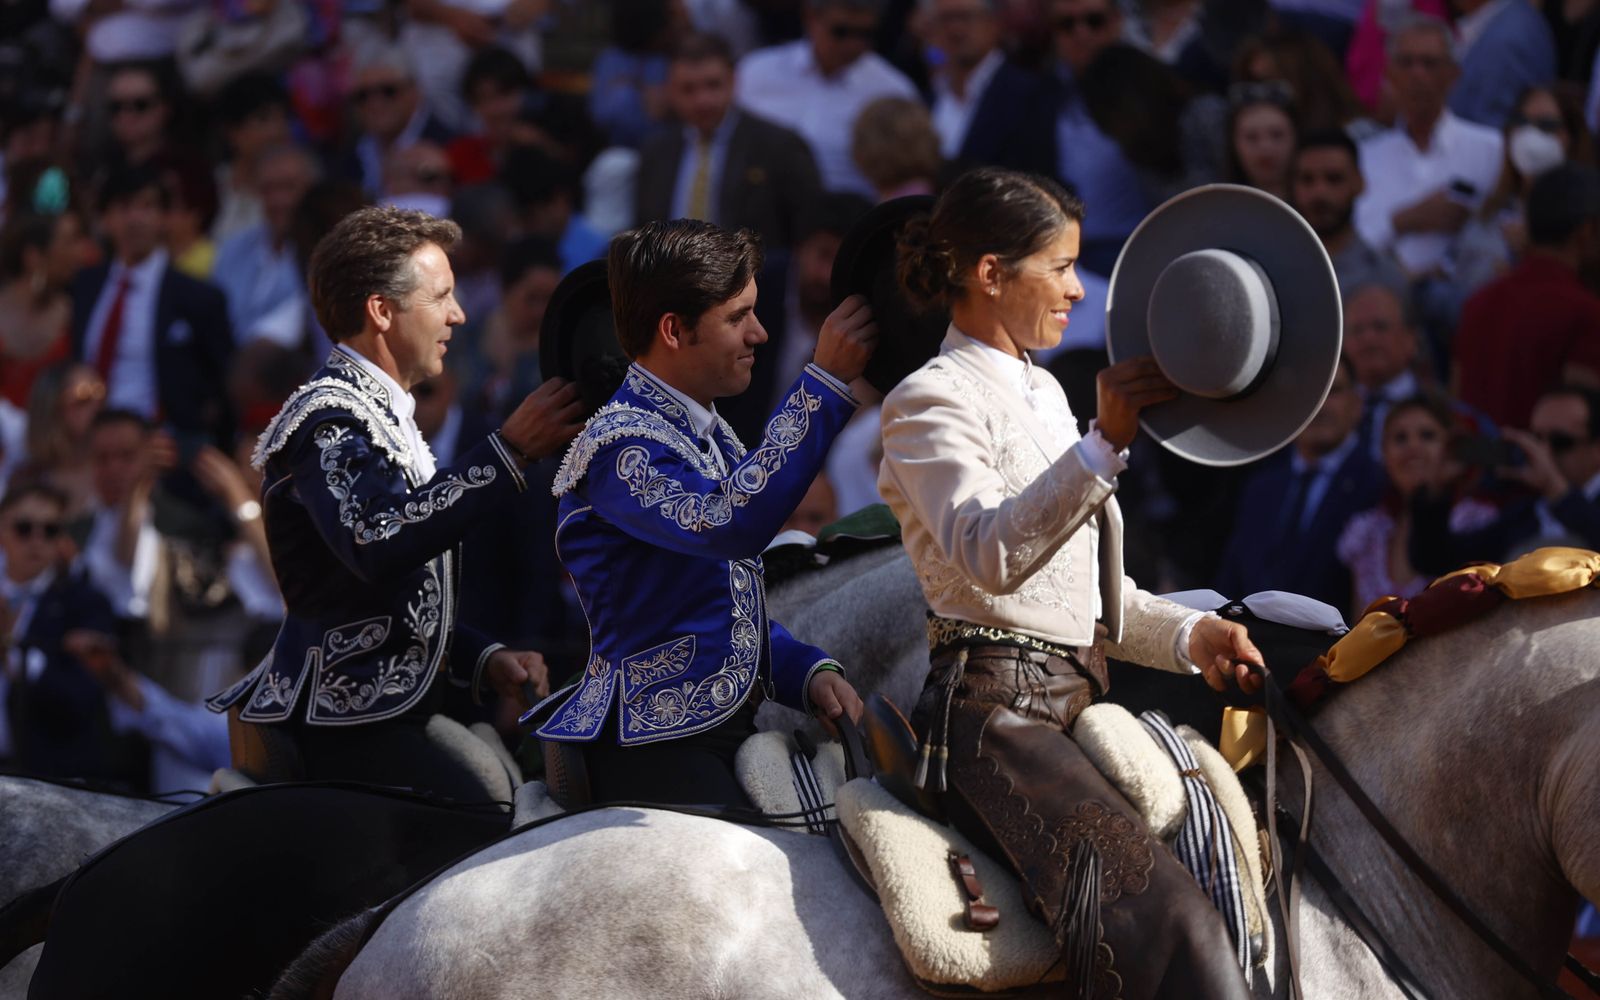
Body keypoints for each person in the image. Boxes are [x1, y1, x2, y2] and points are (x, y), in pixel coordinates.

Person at [880, 167, 1258, 999]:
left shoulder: (1046, 391)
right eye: (1060, 266)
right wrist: (1102, 447)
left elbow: (1082, 600)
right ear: (989, 274)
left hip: (1074, 705)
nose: (1079, 291)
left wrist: (1193, 635)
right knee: (1179, 931)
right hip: (991, 717)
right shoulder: (925, 401)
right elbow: (987, 555)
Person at [205, 205, 585, 798]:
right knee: (483, 817)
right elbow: (377, 543)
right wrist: (508, 452)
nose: (459, 315)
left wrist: (482, 656)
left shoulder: (378, 417)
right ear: (382, 311)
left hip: (380, 716)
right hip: (341, 724)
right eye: (441, 297)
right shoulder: (328, 419)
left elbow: (385, 600)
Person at [528, 218, 875, 808]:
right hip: (648, 747)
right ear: (673, 330)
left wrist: (805, 670)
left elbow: (718, 615)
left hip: (713, 735)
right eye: (738, 317)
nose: (760, 334)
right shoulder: (620, 446)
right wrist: (823, 383)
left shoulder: (709, 438)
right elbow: (725, 525)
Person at [1216, 356, 1382, 610]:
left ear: (1357, 405)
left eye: (1332, 391)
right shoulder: (1261, 487)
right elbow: (1232, 580)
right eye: (1308, 393)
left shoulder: (1378, 485)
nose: (1319, 405)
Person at [634, 31, 822, 252]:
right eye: (688, 89)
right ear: (671, 91)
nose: (702, 100)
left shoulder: (780, 147)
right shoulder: (656, 151)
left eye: (713, 85)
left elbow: (808, 234)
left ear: (733, 81)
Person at [1452, 164, 1600, 431]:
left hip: (1477, 467)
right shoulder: (1585, 312)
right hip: (1543, 469)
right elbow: (1582, 428)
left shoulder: (1477, 303)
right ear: (1586, 232)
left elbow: (1457, 402)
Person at [734, 0, 918, 197]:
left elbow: (906, 176)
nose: (853, 43)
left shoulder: (893, 90)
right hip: (761, 207)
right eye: (841, 31)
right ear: (811, 17)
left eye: (864, 33)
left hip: (853, 214)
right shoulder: (755, 73)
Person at [1336, 394, 1495, 615]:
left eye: (1427, 436)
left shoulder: (1477, 521)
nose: (1413, 447)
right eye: (1400, 438)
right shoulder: (1367, 531)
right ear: (1384, 454)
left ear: (1452, 448)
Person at [1411, 385, 1600, 571]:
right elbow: (1435, 560)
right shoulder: (1524, 515)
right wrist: (1436, 491)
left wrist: (1558, 492)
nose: (1543, 452)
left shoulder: (1581, 510)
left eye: (1560, 442)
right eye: (1536, 439)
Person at [1289, 128, 1409, 301]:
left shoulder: (1386, 278)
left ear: (1359, 183)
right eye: (1307, 179)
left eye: (1334, 178)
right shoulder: (1272, 272)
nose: (1319, 192)